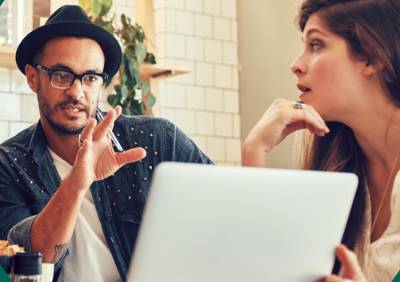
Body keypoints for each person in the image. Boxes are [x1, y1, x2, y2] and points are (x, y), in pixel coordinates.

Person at [0, 5, 211, 282]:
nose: (77, 92)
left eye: (90, 78)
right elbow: (25, 263)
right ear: (32, 77)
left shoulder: (158, 140)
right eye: (61, 75)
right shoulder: (10, 164)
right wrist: (78, 181)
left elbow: (222, 217)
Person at [242, 0, 400, 281]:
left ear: (371, 57)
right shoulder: (340, 171)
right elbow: (262, 272)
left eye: (316, 45)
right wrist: (255, 151)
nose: (296, 65)